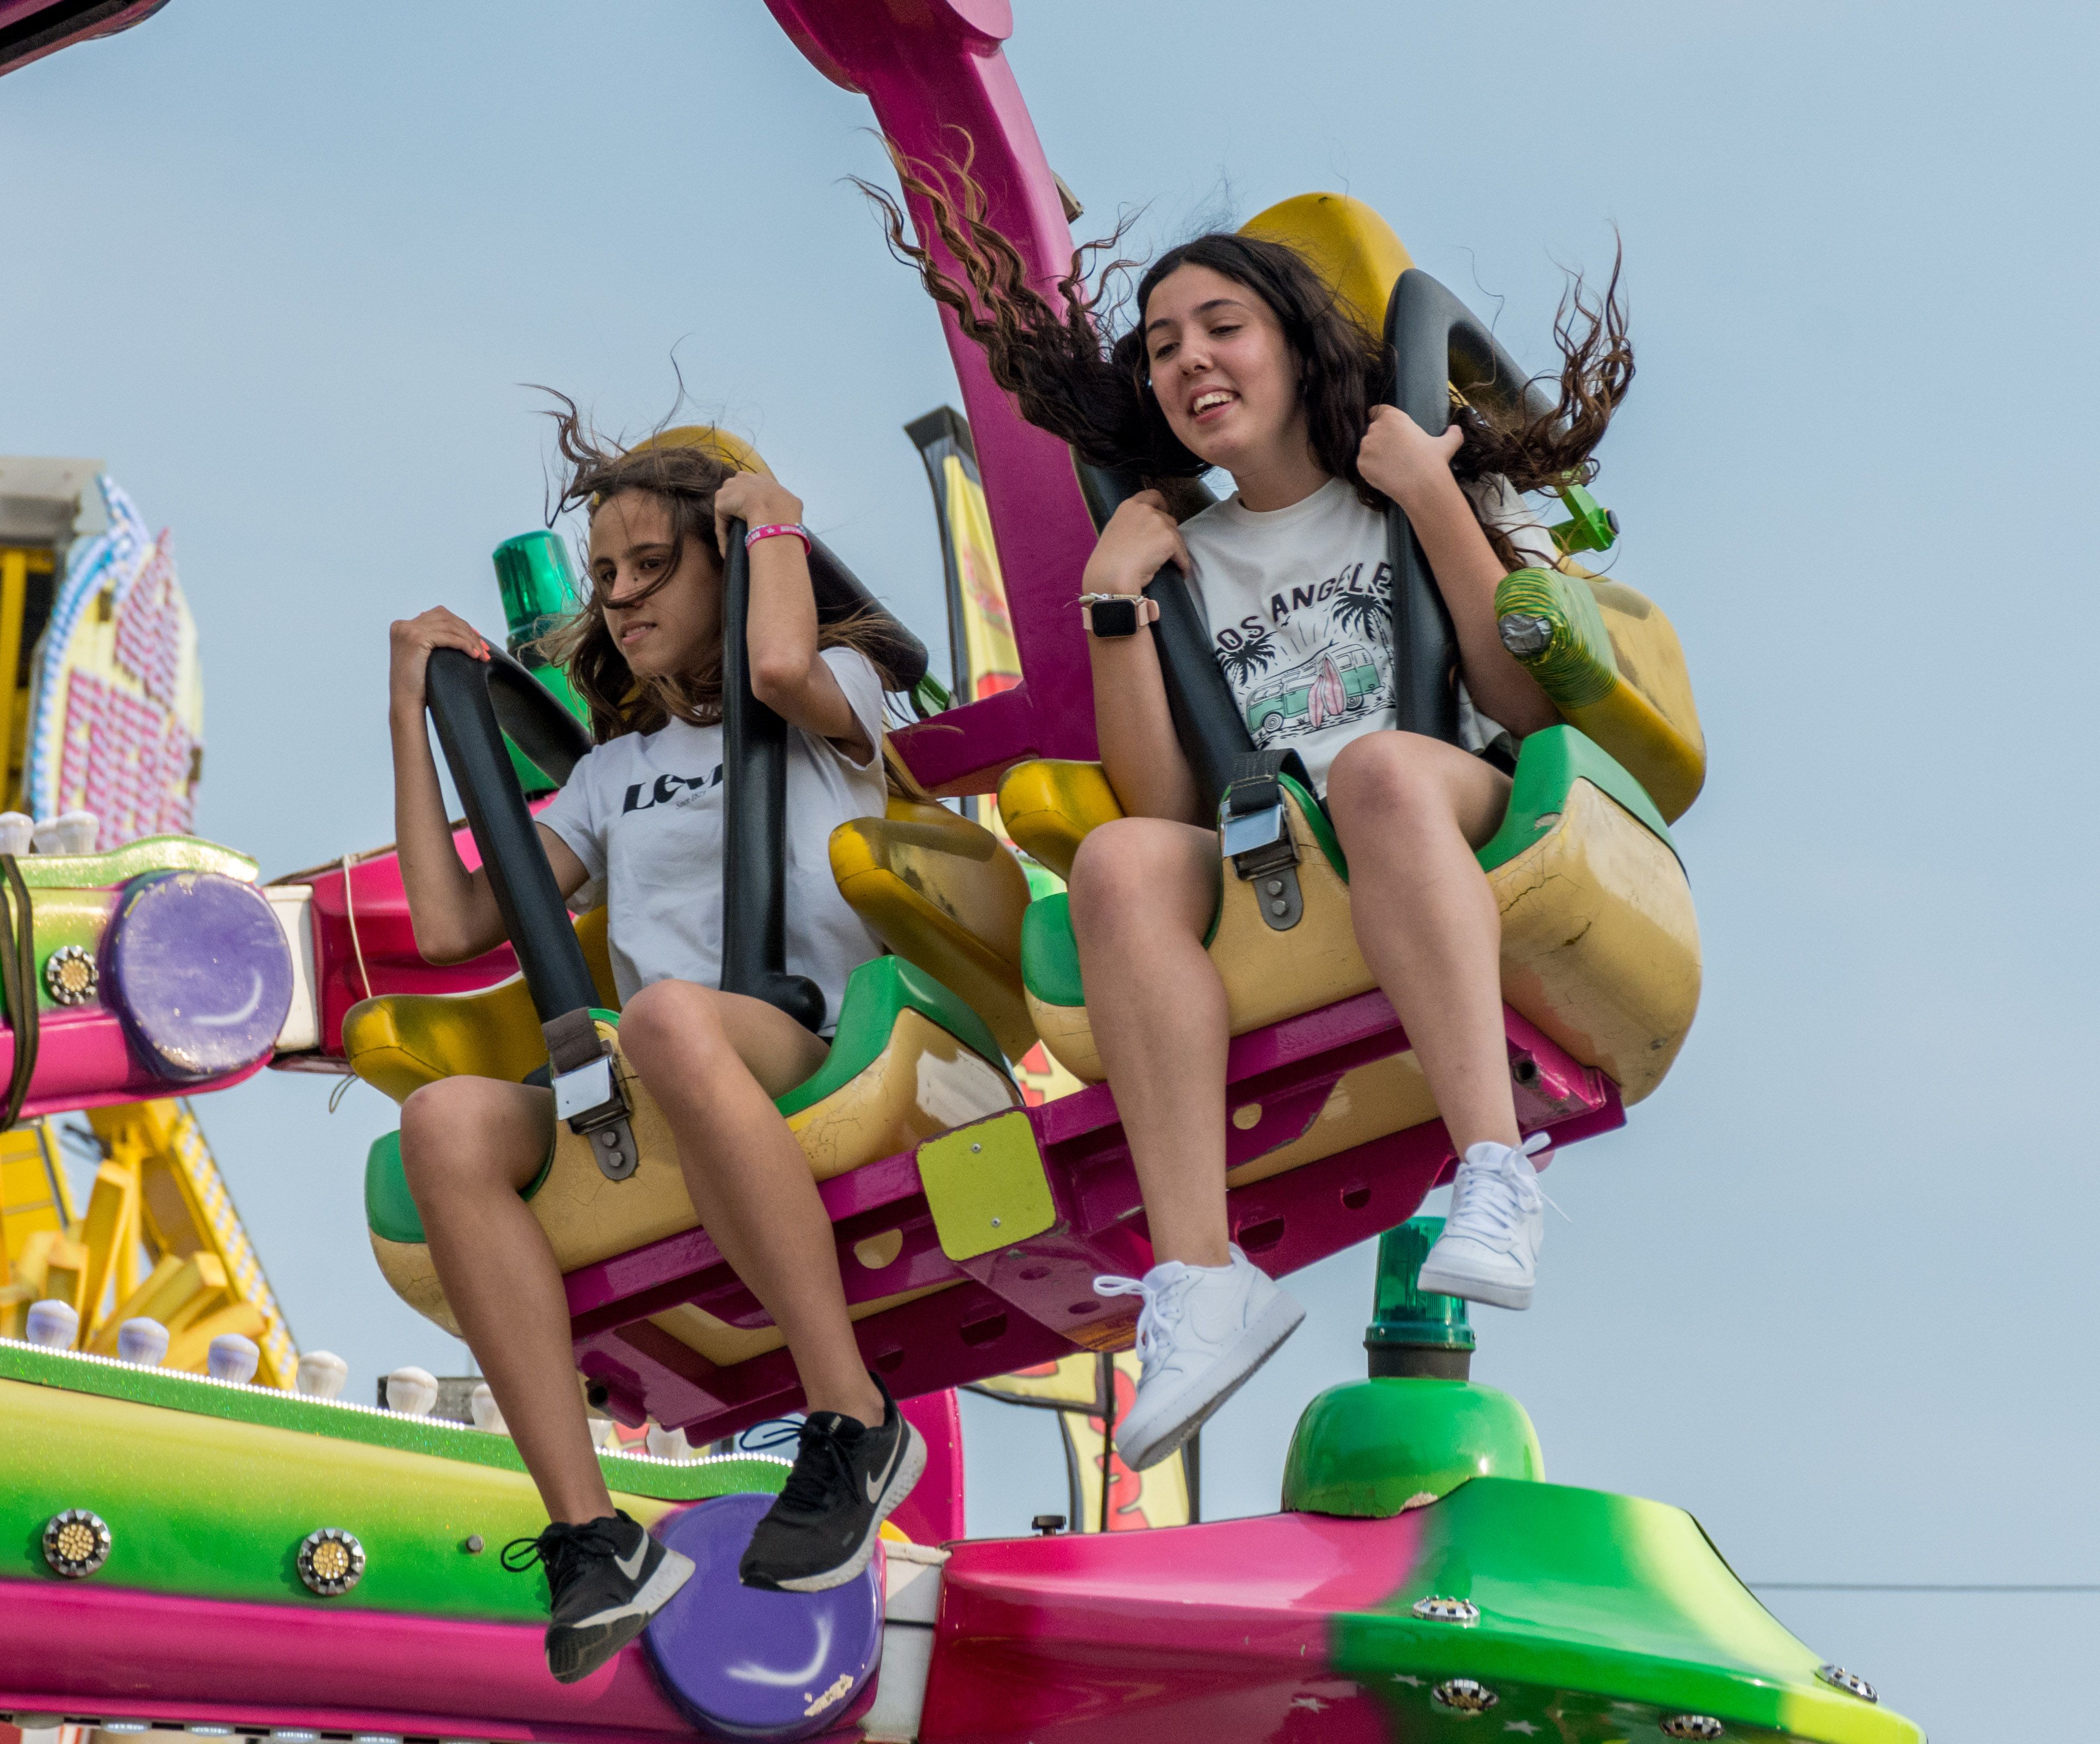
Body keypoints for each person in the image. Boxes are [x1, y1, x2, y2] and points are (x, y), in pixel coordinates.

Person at [866, 159, 1630, 1469]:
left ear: (1292, 343)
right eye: (1164, 346)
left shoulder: (1410, 480)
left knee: (1382, 772)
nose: (1192, 360)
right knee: (1113, 859)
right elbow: (1170, 805)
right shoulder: (1183, 557)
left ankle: (1492, 1171)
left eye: (1223, 326)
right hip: (1280, 849)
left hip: (1446, 800)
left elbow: (1513, 692)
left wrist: (1436, 495)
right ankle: (1198, 1280)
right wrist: (1115, 606)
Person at [386, 412, 927, 1683]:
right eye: (607, 576)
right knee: (444, 1124)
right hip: (664, 1074)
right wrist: (408, 713)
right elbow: (452, 920)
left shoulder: (839, 697)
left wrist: (772, 518)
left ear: (725, 567)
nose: (621, 600)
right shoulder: (613, 773)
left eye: (652, 567)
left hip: (817, 1040)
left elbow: (784, 666)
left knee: (674, 1016)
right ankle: (589, 1535)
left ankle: (851, 1417)